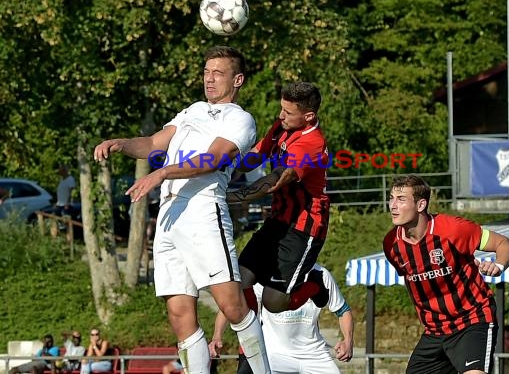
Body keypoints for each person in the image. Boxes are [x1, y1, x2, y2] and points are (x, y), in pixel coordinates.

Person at [93, 46, 270, 374]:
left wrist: (162, 172)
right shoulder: (192, 110)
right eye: (206, 72)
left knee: (232, 305)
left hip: (203, 212)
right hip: (169, 216)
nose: (209, 79)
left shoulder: (240, 119)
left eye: (218, 73)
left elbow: (213, 159)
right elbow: (152, 143)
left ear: (238, 79)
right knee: (178, 314)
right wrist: (120, 142)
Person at [382, 175, 509, 374]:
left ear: (421, 204)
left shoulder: (454, 230)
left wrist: (498, 264)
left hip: (472, 320)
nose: (393, 205)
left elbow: (505, 244)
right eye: (391, 198)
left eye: (401, 199)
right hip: (435, 331)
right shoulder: (391, 245)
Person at [227, 81, 331, 315]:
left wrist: (231, 197)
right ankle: (250, 347)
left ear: (309, 116)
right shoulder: (281, 127)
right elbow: (254, 156)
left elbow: (275, 180)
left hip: (303, 227)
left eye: (288, 112)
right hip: (278, 218)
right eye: (281, 108)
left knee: (273, 303)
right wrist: (223, 161)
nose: (280, 115)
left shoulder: (311, 143)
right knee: (240, 279)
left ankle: (313, 284)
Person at [209, 264, 354, 374]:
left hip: (314, 355)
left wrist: (348, 341)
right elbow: (235, 305)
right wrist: (217, 335)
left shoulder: (321, 275)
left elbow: (343, 310)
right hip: (275, 356)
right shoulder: (265, 276)